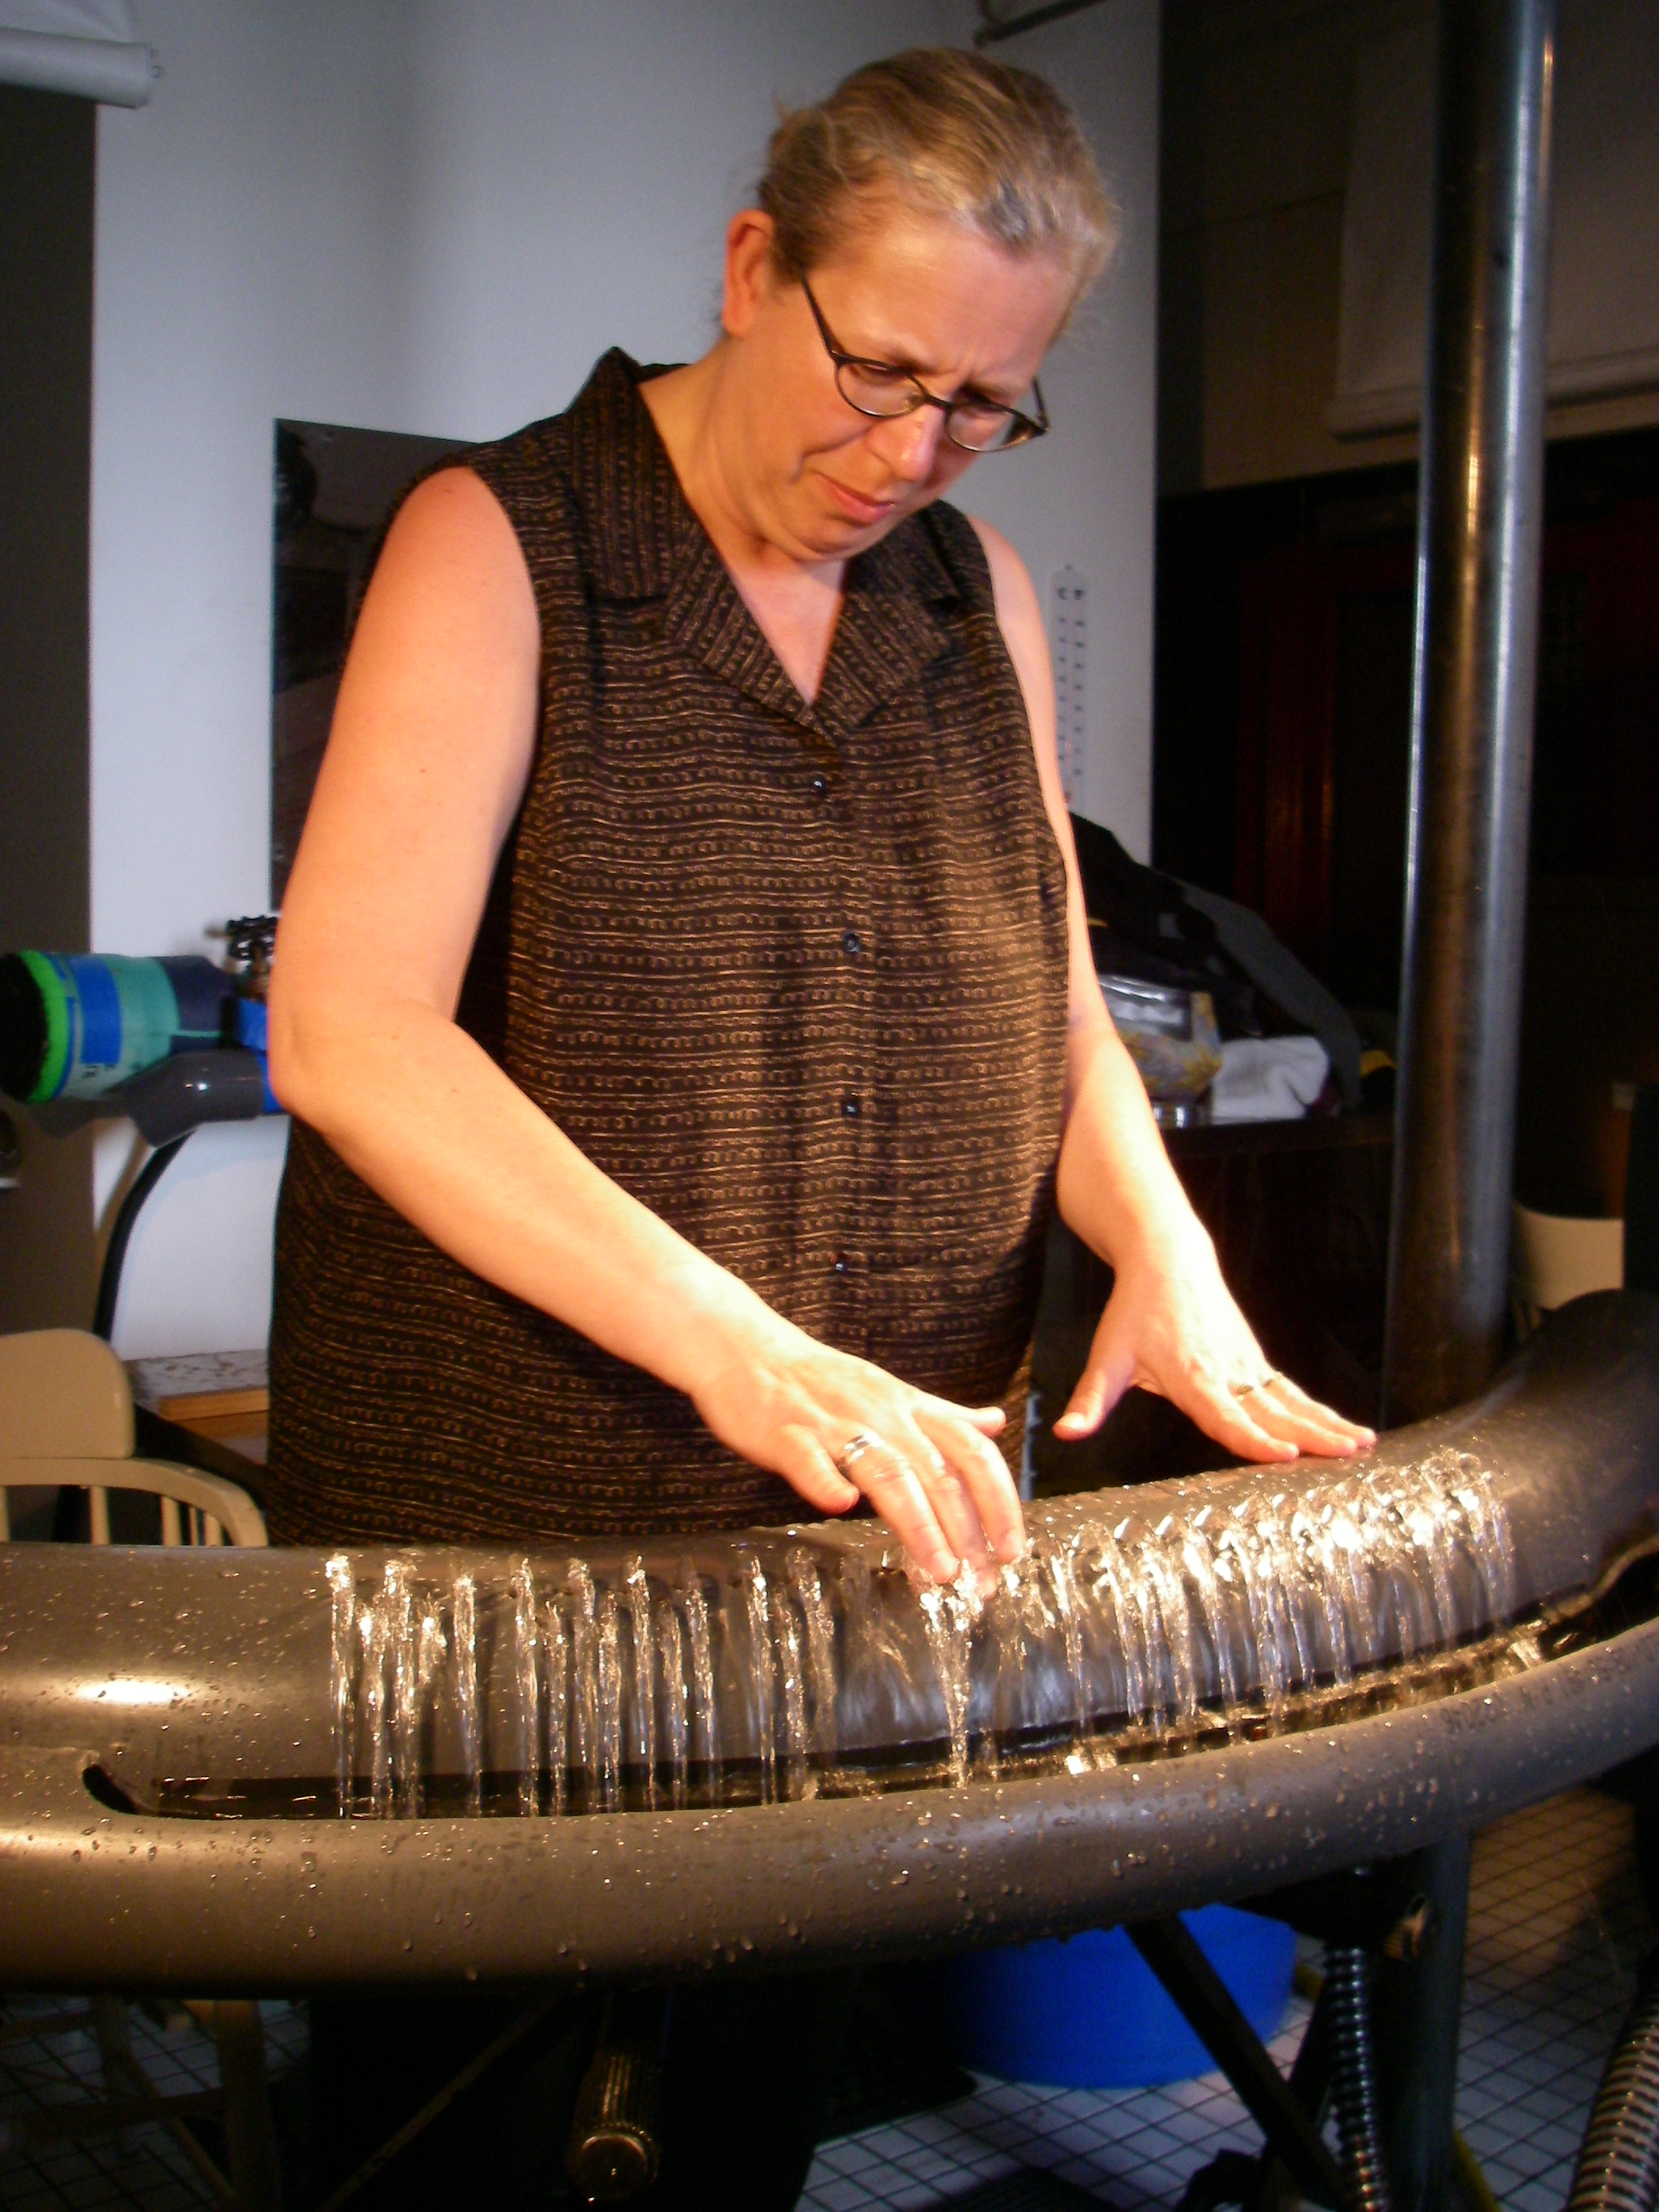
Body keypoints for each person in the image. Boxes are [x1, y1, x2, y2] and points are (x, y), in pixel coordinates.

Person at [265, 49, 1371, 2206]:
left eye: (982, 405)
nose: (907, 453)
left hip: (859, 1557)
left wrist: (1164, 1243)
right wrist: (747, 1352)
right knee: (478, 2134)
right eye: (879, 373)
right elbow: (351, 1031)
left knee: (745, 2127)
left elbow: (1050, 989)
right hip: (521, 1558)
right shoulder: (508, 543)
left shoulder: (970, 600)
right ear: (755, 265)